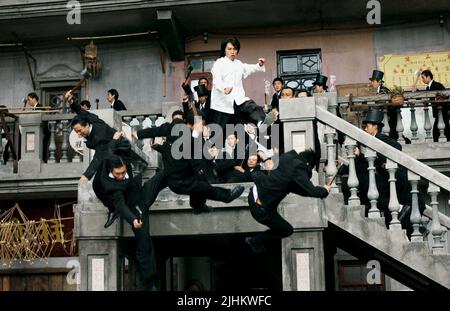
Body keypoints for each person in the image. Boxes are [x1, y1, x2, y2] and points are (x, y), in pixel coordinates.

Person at [134, 111, 245, 214]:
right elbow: (195, 159)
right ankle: (226, 197)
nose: (204, 128)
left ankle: (197, 205)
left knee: (158, 183)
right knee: (204, 187)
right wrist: (207, 167)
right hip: (179, 180)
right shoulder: (192, 138)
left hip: (173, 173)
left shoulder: (178, 129)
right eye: (202, 125)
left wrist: (138, 134)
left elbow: (157, 131)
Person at [245, 149, 331, 253]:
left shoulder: (286, 158)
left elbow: (301, 189)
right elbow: (312, 191)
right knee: (286, 230)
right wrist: (324, 190)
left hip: (255, 197)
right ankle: (256, 240)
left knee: (286, 229)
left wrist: (321, 191)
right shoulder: (298, 167)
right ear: (308, 163)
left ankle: (256, 240)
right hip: (260, 207)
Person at [93, 154, 157, 290]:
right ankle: (149, 282)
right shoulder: (110, 186)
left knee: (145, 241)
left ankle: (150, 279)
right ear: (111, 171)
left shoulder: (122, 162)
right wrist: (133, 219)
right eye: (118, 173)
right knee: (142, 238)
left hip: (135, 197)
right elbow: (120, 204)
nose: (122, 175)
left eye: (124, 172)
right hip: (116, 200)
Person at [210, 37, 277, 131]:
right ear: (224, 50)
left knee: (251, 106)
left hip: (238, 99)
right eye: (229, 49)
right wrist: (223, 88)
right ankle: (210, 144)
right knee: (219, 129)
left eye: (234, 49)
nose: (232, 52)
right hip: (223, 102)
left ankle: (262, 122)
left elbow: (248, 68)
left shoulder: (239, 64)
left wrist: (259, 65)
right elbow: (216, 80)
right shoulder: (219, 63)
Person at [421, 70, 448, 142]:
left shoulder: (437, 85)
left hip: (443, 112)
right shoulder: (427, 88)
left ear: (428, 77)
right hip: (437, 113)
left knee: (441, 132)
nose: (422, 80)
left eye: (423, 78)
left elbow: (446, 96)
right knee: (439, 132)